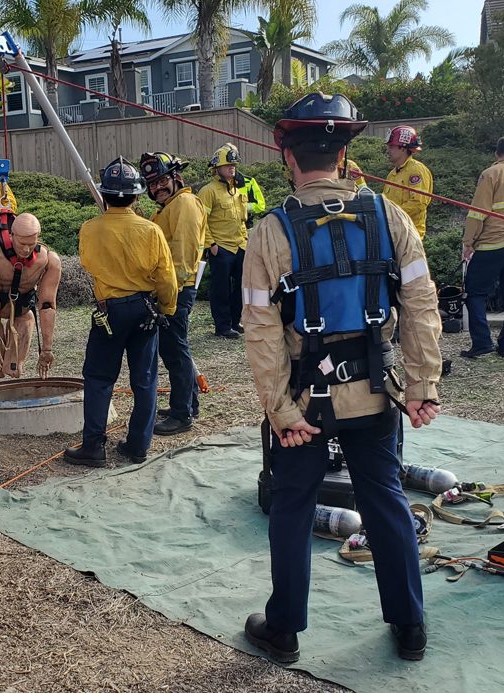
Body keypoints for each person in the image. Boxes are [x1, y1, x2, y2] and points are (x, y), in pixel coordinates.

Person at [241, 92, 442, 663]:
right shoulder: (389, 215)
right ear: (345, 152)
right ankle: (410, 626)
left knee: (292, 504)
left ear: (288, 157)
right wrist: (423, 386)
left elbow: (262, 332)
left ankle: (283, 630)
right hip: (377, 394)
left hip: (305, 402)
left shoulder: (269, 234)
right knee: (385, 500)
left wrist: (280, 410)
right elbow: (421, 302)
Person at [64, 157, 177, 467]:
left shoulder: (90, 229)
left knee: (99, 378)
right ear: (137, 195)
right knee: (145, 379)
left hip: (108, 311)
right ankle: (138, 446)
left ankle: (94, 447)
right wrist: (166, 309)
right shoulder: (151, 230)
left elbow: (88, 263)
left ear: (105, 194)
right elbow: (166, 277)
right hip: (144, 309)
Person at [139, 151, 207, 435]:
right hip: (168, 289)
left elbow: (184, 255)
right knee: (175, 349)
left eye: (162, 180)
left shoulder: (185, 205)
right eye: (152, 184)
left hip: (177, 290)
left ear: (176, 177)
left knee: (175, 351)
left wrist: (168, 295)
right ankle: (187, 403)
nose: (157, 188)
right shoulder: (167, 207)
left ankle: (182, 414)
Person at [0, 212, 61, 378]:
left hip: (22, 313)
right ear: (12, 235)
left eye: (31, 244)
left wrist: (47, 349)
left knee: (13, 370)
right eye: (21, 243)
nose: (26, 249)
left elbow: (48, 305)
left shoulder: (48, 260)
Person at [198, 145, 249, 338]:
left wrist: (245, 239)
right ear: (216, 168)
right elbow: (201, 221)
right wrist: (211, 245)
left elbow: (242, 218)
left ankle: (235, 322)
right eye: (227, 165)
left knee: (241, 287)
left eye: (233, 164)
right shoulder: (208, 191)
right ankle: (222, 326)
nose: (232, 168)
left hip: (239, 245)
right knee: (220, 289)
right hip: (221, 247)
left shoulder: (238, 190)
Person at [460, 136, 504, 358]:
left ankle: (482, 343)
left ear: (497, 153)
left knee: (474, 293)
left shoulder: (491, 174)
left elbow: (478, 213)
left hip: (492, 243)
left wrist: (468, 242)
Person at [383, 126, 433, 239]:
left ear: (403, 149)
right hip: (393, 234)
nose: (388, 150)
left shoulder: (417, 171)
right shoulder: (392, 174)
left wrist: (391, 215)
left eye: (391, 146)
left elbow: (418, 204)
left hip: (410, 235)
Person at [226, 143, 266, 227]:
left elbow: (261, 205)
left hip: (245, 228)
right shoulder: (214, 186)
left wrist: (243, 206)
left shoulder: (249, 182)